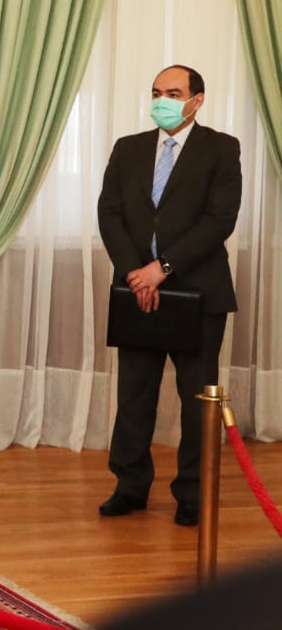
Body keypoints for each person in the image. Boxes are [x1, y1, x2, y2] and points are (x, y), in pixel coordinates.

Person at [97, 64, 241, 527]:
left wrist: (162, 268)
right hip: (137, 290)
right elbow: (110, 213)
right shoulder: (129, 148)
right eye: (157, 92)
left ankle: (192, 493)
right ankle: (130, 485)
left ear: (197, 100)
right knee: (134, 395)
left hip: (197, 293)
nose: (163, 99)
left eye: (173, 92)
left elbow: (219, 220)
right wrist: (136, 275)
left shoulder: (221, 149)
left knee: (196, 399)